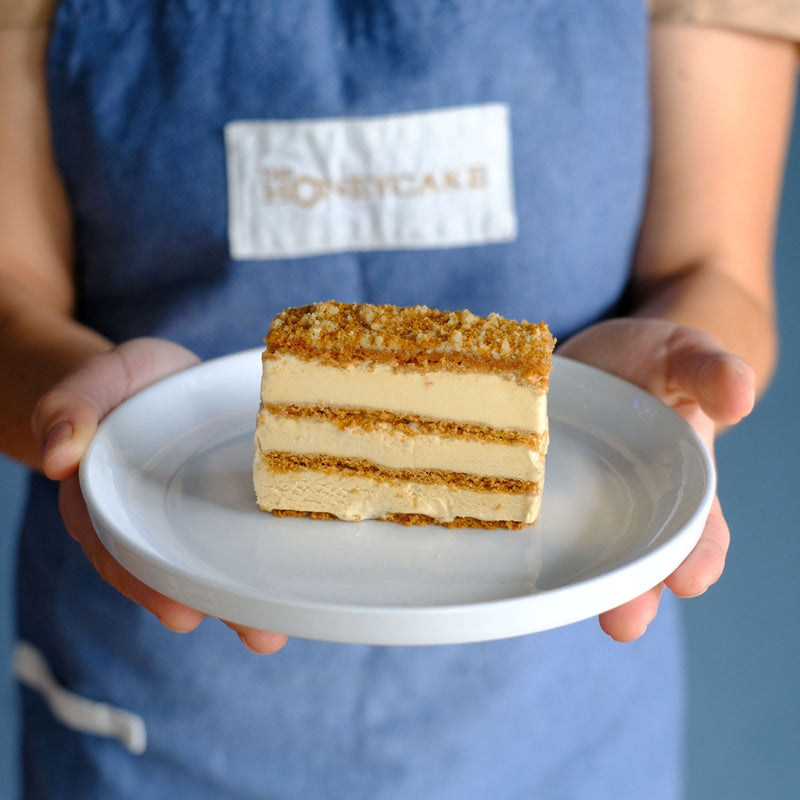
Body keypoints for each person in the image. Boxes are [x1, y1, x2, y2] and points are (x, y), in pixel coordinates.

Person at [0, 0, 797, 797]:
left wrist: (658, 403)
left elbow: (714, 268)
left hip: (560, 719)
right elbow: (13, 295)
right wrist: (89, 405)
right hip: (155, 716)